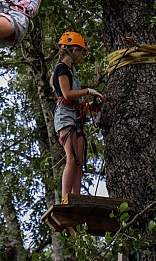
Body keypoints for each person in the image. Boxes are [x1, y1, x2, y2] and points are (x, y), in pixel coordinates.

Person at [53, 31, 104, 199]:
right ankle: (66, 198)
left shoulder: (71, 71)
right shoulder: (61, 68)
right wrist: (88, 91)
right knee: (72, 158)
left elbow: (76, 101)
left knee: (79, 162)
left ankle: (76, 196)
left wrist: (92, 105)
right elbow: (67, 94)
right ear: (74, 50)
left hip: (76, 117)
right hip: (65, 116)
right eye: (81, 52)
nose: (81, 56)